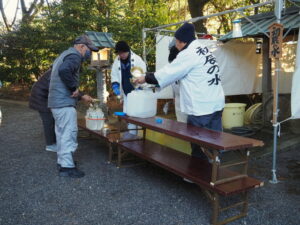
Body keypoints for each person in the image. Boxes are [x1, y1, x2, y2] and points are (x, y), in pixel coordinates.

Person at [134, 23, 225, 161]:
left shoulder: (188, 54)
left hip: (201, 108)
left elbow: (166, 74)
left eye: (177, 41)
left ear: (183, 41)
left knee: (199, 143)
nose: (176, 45)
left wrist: (144, 78)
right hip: (216, 104)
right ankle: (215, 169)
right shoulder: (203, 49)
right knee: (214, 140)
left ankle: (199, 176)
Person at [48, 35, 97, 178]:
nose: (89, 54)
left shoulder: (64, 54)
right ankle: (67, 168)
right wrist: (73, 89)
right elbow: (64, 71)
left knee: (61, 134)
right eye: (89, 50)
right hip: (63, 103)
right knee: (68, 134)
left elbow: (59, 73)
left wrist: (80, 95)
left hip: (56, 102)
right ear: (81, 46)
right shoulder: (74, 56)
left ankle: (63, 161)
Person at [110, 40, 147, 134]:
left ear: (128, 51)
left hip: (137, 93)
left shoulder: (137, 59)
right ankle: (131, 137)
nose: (121, 55)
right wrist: (115, 86)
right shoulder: (117, 61)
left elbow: (143, 74)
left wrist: (139, 86)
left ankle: (138, 138)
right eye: (119, 53)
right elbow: (114, 74)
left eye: (122, 53)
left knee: (137, 116)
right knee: (128, 117)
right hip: (125, 92)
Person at [29, 67, 57, 152]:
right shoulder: (56, 71)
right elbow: (54, 87)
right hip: (40, 97)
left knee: (51, 119)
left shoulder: (56, 69)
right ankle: (50, 145)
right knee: (48, 121)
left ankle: (54, 141)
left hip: (42, 96)